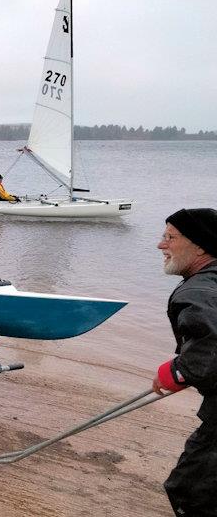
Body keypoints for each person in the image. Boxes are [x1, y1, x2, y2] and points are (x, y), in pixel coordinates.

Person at [152, 208, 217, 516]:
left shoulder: (199, 289)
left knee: (192, 492)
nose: (161, 245)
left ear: (201, 246)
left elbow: (211, 343)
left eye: (170, 237)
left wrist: (179, 371)